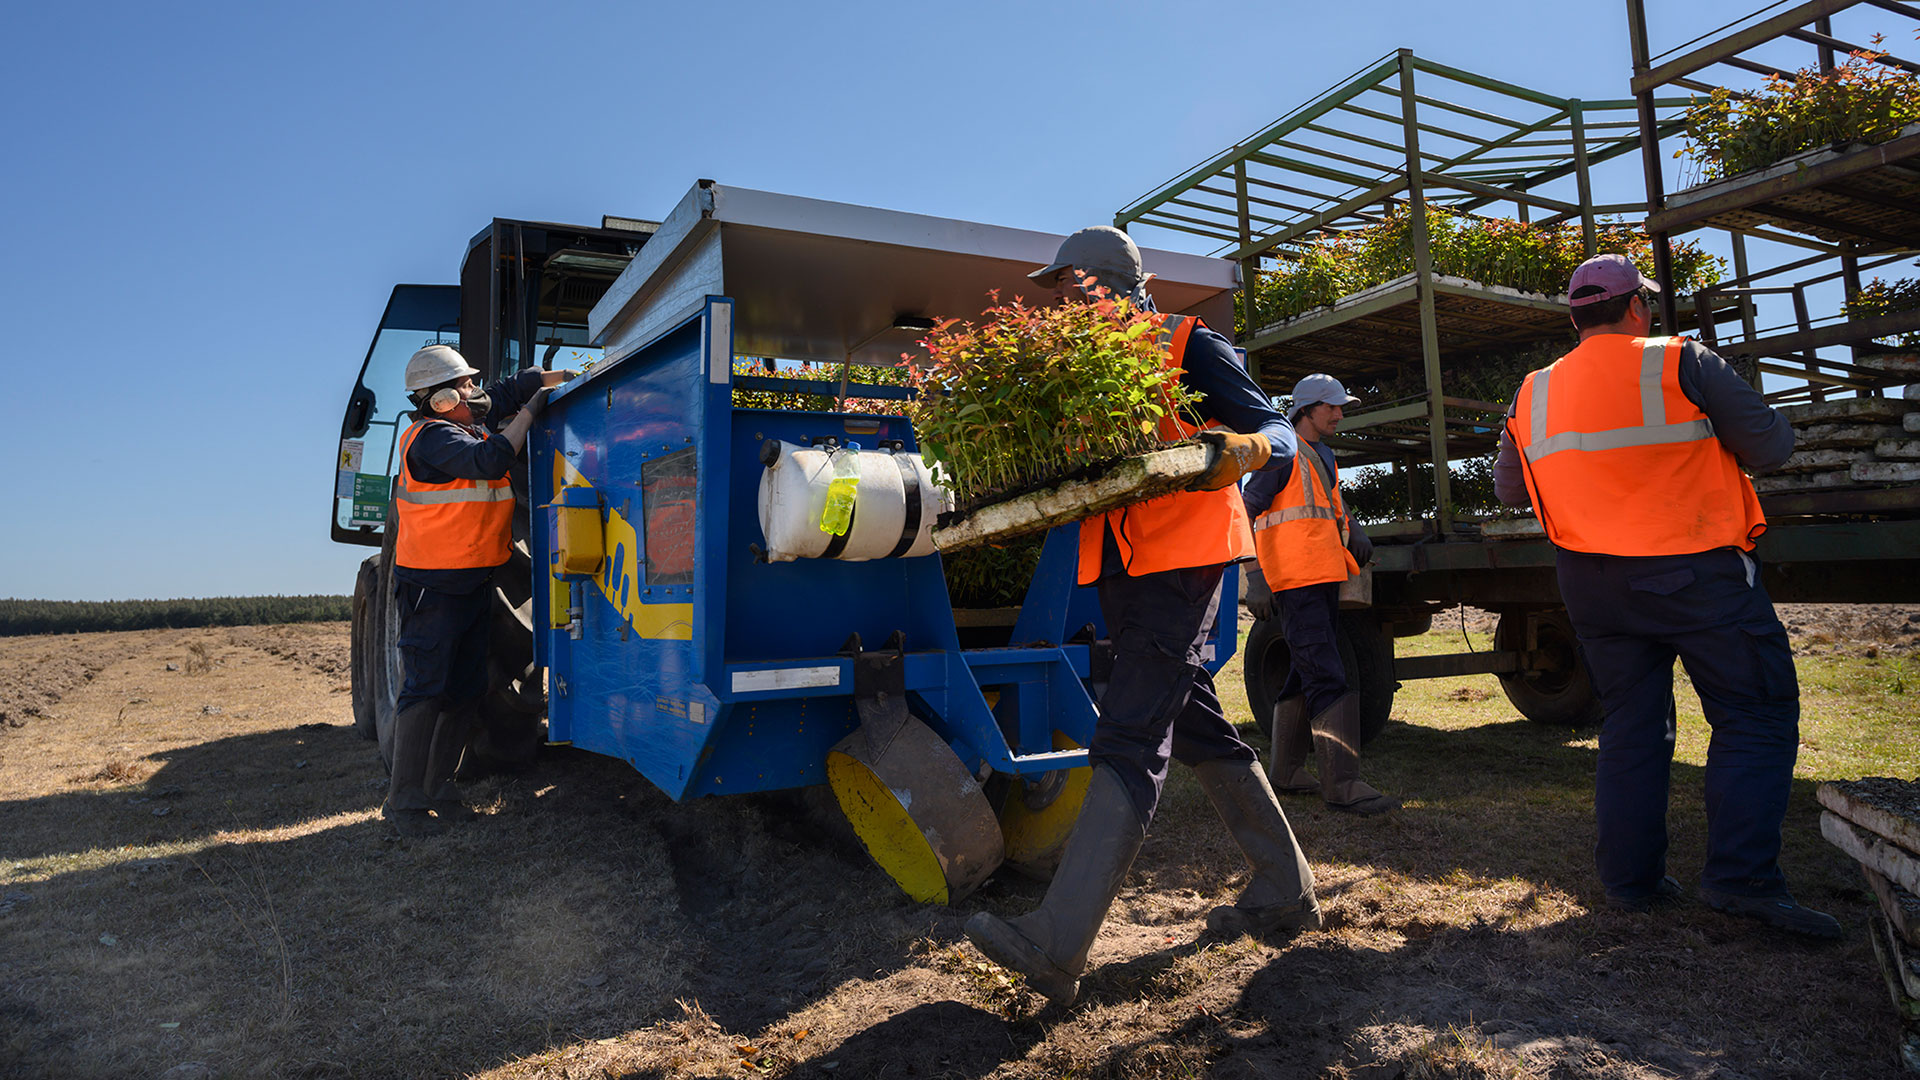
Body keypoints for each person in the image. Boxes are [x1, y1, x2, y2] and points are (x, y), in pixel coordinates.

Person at [964, 226, 1321, 1007]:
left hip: (1184, 559)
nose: (1059, 301)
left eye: (1067, 286)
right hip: (1122, 567)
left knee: (1127, 731)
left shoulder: (1189, 343)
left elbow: (1278, 430)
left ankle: (1057, 943)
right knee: (1191, 720)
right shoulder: (1085, 370)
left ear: (1104, 283)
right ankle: (1283, 885)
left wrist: (1243, 451)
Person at [1492, 253, 1838, 938]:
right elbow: (1769, 446)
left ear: (1574, 318)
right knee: (1753, 714)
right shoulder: (1681, 360)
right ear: (1636, 308)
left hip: (1593, 586)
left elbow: (1509, 488)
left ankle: (1631, 881)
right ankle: (1741, 883)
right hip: (1693, 572)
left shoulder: (1531, 391)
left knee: (1631, 724)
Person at [384, 344, 570, 838]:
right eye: (466, 386)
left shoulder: (463, 423)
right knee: (425, 688)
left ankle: (441, 789)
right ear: (442, 399)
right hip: (432, 586)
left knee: (465, 688)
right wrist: (530, 413)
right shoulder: (432, 439)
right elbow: (490, 460)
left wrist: (548, 379)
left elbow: (505, 391)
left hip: (471, 581)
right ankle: (403, 802)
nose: (475, 392)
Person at [1242, 373, 1393, 815]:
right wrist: (1255, 578)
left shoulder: (1322, 453)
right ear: (1307, 410)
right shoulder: (1281, 455)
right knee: (1327, 673)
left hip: (1322, 578)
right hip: (1294, 583)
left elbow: (1331, 506)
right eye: (1333, 407)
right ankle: (1342, 784)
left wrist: (1356, 530)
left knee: (1302, 672)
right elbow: (1241, 513)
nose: (1340, 414)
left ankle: (1286, 773)